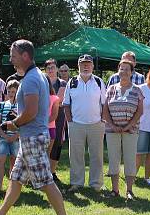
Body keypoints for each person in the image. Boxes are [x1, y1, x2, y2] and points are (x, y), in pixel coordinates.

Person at [0, 39, 72, 215]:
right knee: (16, 179)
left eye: (14, 54)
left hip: (33, 138)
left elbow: (31, 112)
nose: (11, 58)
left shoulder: (30, 79)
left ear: (25, 56)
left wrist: (14, 123)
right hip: (31, 136)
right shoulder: (36, 76)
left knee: (46, 182)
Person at [63, 54, 106, 193]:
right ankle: (76, 183)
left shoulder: (99, 82)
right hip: (76, 124)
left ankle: (96, 184)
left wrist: (102, 121)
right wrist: (70, 122)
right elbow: (66, 104)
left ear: (93, 66)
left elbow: (105, 104)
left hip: (96, 124)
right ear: (78, 66)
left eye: (88, 63)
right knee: (75, 156)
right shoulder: (72, 82)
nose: (86, 66)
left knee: (97, 156)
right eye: (83, 64)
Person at [103, 59, 144, 199]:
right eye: (122, 69)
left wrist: (128, 126)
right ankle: (115, 190)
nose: (124, 72)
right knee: (113, 159)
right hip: (111, 130)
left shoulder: (137, 90)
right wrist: (113, 126)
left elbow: (140, 111)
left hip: (131, 131)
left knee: (130, 159)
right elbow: (105, 111)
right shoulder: (111, 88)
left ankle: (129, 191)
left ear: (132, 72)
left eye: (127, 69)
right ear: (118, 71)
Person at [0, 80, 20, 191]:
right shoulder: (2, 105)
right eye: (9, 91)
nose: (10, 93)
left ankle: (12, 187)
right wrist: (4, 135)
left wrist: (15, 136)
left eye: (13, 91)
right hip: (3, 138)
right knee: (0, 160)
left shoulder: (21, 106)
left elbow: (24, 122)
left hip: (16, 138)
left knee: (14, 162)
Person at [45, 59, 67, 181]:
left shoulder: (62, 83)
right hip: (43, 117)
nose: (51, 70)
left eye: (53, 67)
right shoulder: (42, 82)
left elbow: (59, 100)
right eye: (48, 68)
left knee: (57, 143)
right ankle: (44, 171)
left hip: (59, 117)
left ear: (57, 69)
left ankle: (52, 172)